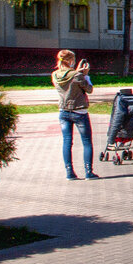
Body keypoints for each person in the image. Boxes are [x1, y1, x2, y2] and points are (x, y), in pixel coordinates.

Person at [52, 49, 98, 180]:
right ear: (71, 61)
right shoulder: (77, 75)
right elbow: (89, 89)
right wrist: (86, 75)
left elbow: (68, 80)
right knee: (87, 142)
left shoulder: (54, 75)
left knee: (67, 142)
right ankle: (89, 172)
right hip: (79, 111)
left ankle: (69, 172)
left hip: (64, 111)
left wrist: (78, 73)